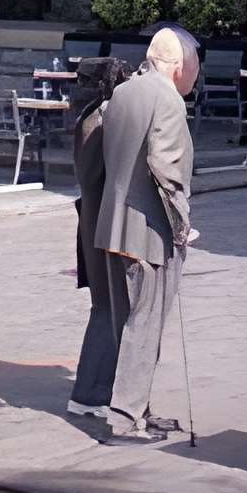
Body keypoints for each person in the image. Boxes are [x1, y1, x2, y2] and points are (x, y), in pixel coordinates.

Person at [89, 27, 199, 442]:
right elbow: (165, 168)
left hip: (114, 225)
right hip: (148, 230)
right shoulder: (167, 99)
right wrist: (181, 225)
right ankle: (126, 417)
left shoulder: (123, 93)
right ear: (179, 67)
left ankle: (138, 409)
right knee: (145, 325)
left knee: (131, 323)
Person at [66, 55, 129, 419]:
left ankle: (97, 389)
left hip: (93, 219)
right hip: (103, 221)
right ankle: (91, 393)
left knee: (106, 308)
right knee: (108, 308)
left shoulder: (89, 115)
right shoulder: (103, 118)